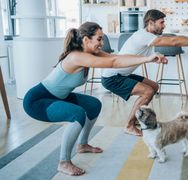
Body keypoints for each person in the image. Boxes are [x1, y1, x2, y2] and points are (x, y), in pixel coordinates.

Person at [23, 22, 167, 176]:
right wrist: (147, 59)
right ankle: (63, 162)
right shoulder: (76, 57)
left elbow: (116, 57)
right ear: (86, 40)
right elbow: (113, 63)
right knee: (77, 114)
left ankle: (82, 145)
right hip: (38, 101)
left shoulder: (90, 54)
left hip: (58, 97)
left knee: (93, 105)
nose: (102, 43)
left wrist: (149, 57)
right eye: (99, 39)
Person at [101, 9, 188, 136]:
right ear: (151, 23)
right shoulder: (143, 35)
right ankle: (129, 125)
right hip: (112, 77)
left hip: (122, 74)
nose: (164, 25)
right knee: (147, 91)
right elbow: (173, 41)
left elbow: (139, 56)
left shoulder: (147, 36)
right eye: (161, 22)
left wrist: (156, 58)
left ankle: (138, 119)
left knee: (154, 87)